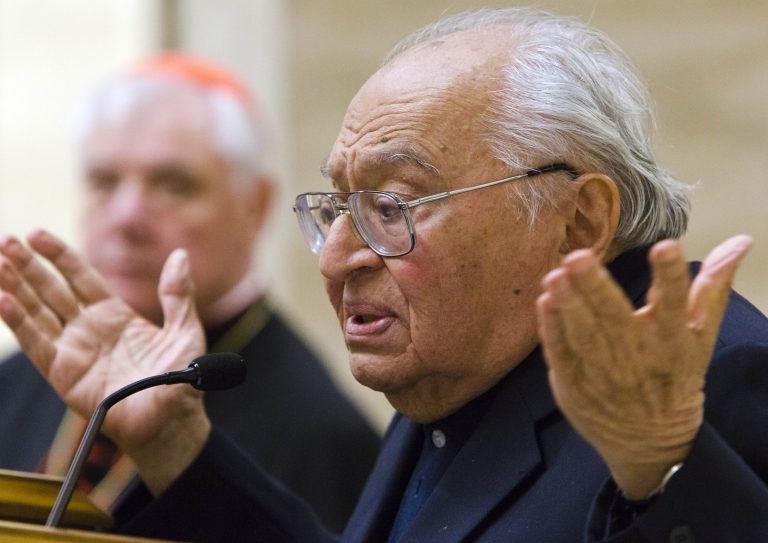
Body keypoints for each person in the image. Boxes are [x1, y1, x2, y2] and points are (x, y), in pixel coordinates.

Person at [1, 7, 767, 542]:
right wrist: (174, 443)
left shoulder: (705, 378)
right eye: (337, 205)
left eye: (393, 204)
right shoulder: (456, 366)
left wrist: (663, 470)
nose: (337, 255)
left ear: (579, 221)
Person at [0, 53, 379, 532]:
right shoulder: (12, 385)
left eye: (173, 184)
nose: (126, 217)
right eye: (104, 181)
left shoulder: (318, 436)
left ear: (254, 207)